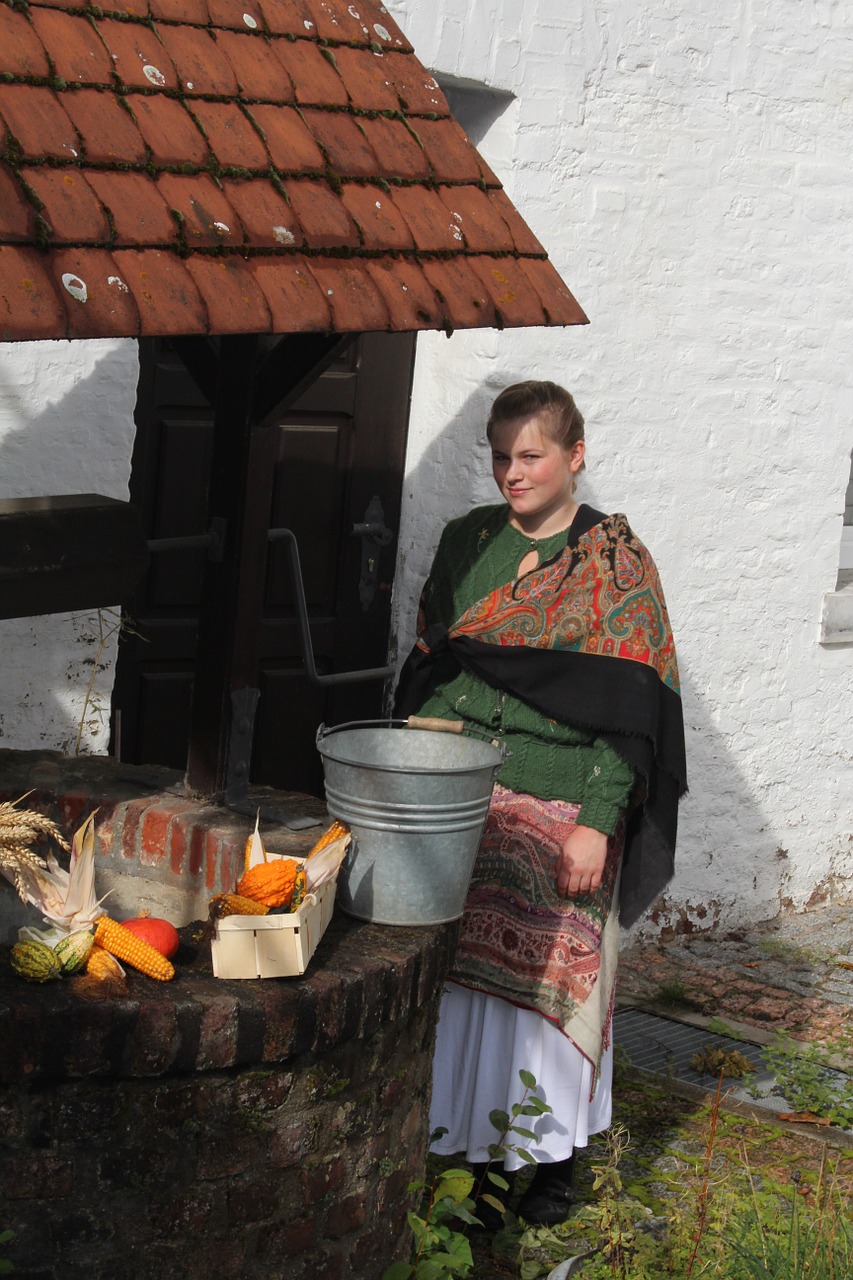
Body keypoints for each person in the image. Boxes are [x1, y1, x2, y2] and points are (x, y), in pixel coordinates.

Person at [395, 381, 687, 1227]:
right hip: (468, 785)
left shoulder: (616, 563)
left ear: (574, 456)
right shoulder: (465, 542)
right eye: (499, 456)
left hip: (567, 794)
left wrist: (598, 820)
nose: (511, 473)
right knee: (468, 983)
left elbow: (631, 713)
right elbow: (437, 659)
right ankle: (473, 1160)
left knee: (558, 983)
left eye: (530, 456)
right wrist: (425, 739)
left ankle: (555, 1157)